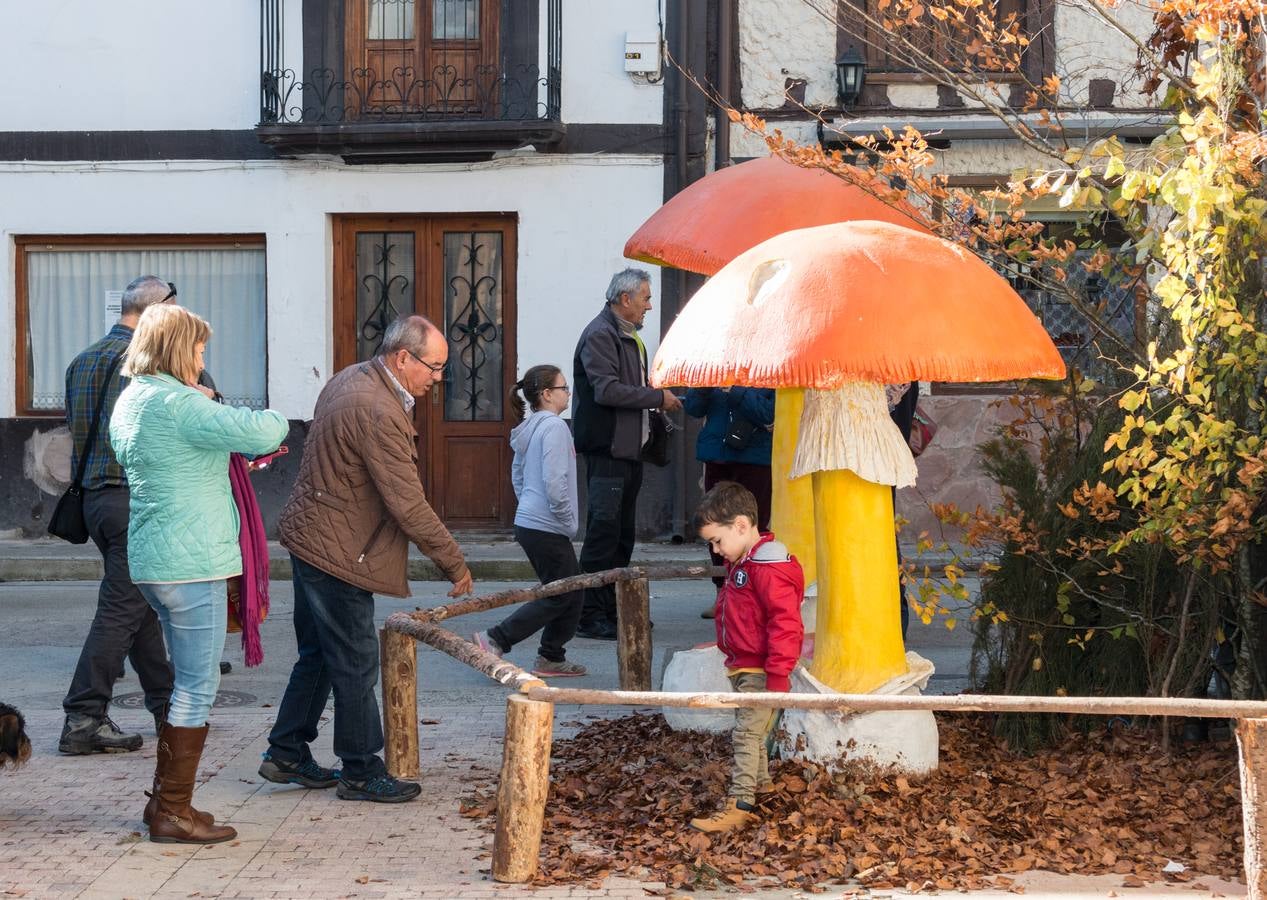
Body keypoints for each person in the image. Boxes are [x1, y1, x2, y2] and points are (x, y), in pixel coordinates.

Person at [265, 315, 474, 804]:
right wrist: (453, 561)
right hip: (338, 550)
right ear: (404, 358)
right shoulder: (377, 410)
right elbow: (407, 502)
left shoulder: (352, 377)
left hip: (314, 536)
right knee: (356, 661)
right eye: (434, 367)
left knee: (319, 653)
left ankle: (287, 752)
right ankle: (360, 770)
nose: (437, 378)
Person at [109, 304, 289, 844]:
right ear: (177, 348)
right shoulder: (179, 403)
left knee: (185, 683)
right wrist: (213, 400)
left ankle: (165, 805)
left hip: (153, 559)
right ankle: (172, 812)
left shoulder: (132, 399)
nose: (202, 356)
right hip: (192, 564)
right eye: (199, 347)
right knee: (196, 687)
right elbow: (265, 430)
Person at [58, 276, 176, 756]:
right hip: (134, 500)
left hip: (94, 502)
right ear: (156, 313)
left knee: (138, 605)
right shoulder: (147, 365)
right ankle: (83, 716)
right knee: (122, 608)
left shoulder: (80, 361)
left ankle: (170, 709)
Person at [572, 268, 682, 640]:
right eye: (646, 298)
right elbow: (607, 391)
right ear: (625, 299)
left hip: (628, 453)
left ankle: (615, 610)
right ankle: (590, 615)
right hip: (608, 452)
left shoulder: (627, 336)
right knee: (603, 536)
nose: (649, 306)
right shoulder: (600, 334)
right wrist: (657, 398)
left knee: (621, 537)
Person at [689, 481, 804, 834]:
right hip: (744, 666)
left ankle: (740, 803)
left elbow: (785, 624)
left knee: (745, 735)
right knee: (753, 734)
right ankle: (762, 786)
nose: (716, 550)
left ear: (741, 525)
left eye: (717, 541)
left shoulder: (765, 567)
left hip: (760, 670)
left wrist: (778, 676)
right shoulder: (746, 562)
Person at [473, 365, 586, 677]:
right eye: (564, 388)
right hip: (546, 524)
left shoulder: (531, 426)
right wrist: (564, 518)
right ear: (547, 394)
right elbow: (554, 481)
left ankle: (552, 656)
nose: (568, 393)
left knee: (571, 590)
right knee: (561, 592)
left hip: (533, 522)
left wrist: (528, 506)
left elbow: (518, 474)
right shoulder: (554, 427)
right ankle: (496, 638)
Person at [683, 386, 775, 617]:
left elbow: (769, 413)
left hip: (755, 458)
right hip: (717, 456)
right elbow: (692, 408)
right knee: (716, 524)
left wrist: (735, 389)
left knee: (754, 526)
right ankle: (722, 594)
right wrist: (704, 388)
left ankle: (751, 595)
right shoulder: (713, 361)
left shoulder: (765, 365)